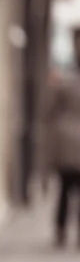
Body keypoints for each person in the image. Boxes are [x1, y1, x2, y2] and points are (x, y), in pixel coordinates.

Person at [47, 26, 80, 248]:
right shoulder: (66, 76)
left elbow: (50, 110)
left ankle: (61, 231)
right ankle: (65, 231)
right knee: (66, 188)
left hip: (67, 140)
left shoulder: (65, 77)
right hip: (69, 142)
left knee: (65, 189)